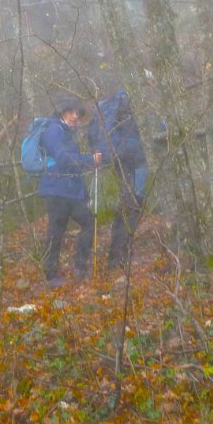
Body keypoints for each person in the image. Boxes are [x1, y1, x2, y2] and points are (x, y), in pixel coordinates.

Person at [39, 97, 102, 286]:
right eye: (71, 112)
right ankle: (51, 275)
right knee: (56, 231)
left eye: (77, 113)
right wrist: (90, 160)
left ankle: (80, 267)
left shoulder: (68, 133)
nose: (75, 116)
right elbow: (64, 159)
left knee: (88, 222)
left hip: (70, 191)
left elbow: (73, 164)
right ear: (62, 112)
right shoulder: (53, 131)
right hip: (56, 189)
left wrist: (84, 193)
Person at [91, 90, 148, 270]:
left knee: (125, 206)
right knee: (132, 205)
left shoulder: (107, 108)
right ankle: (118, 258)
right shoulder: (133, 106)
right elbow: (152, 128)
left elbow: (92, 137)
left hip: (117, 160)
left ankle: (117, 256)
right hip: (134, 161)